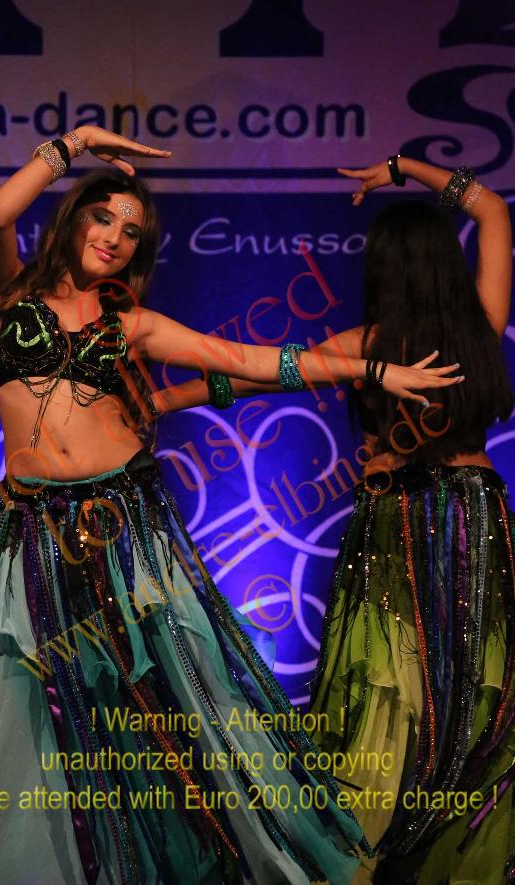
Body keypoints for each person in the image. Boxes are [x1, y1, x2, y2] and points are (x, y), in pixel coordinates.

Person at [0, 127, 462, 885]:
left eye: (130, 232)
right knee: (55, 706)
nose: (113, 237)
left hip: (128, 524)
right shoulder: (7, 297)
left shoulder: (131, 324)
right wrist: (75, 141)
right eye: (102, 217)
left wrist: (370, 369)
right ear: (73, 218)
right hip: (39, 535)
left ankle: (227, 854)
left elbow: (247, 361)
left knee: (177, 691)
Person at [158, 156, 514, 885]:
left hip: (396, 524)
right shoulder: (482, 325)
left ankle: (352, 861)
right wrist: (402, 168)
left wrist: (164, 400)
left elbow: (257, 375)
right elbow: (493, 209)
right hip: (474, 520)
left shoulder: (365, 347)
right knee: (480, 687)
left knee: (385, 693)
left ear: (382, 272)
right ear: (448, 265)